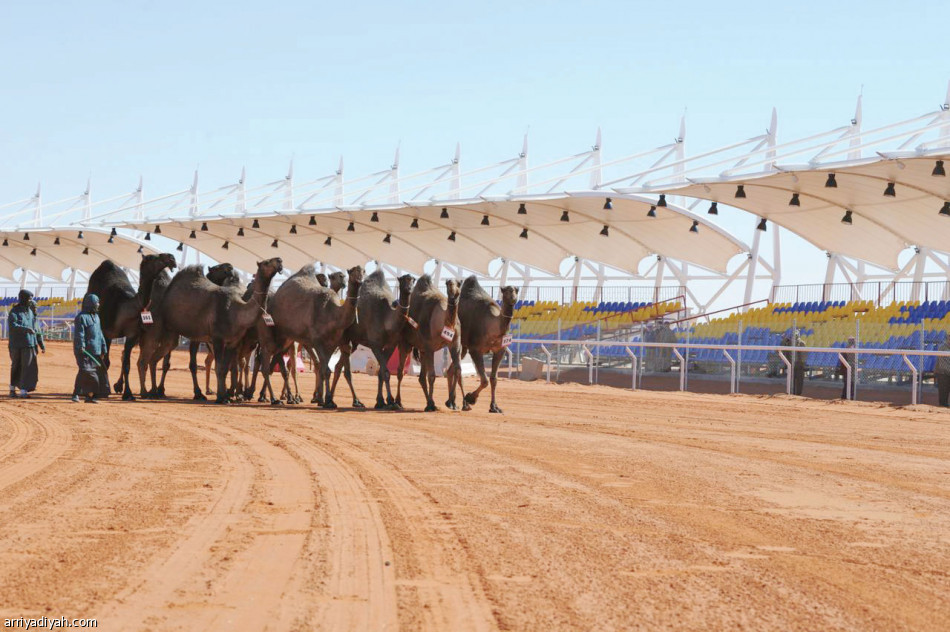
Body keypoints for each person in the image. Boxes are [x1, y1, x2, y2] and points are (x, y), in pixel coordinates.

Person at [7, 289, 44, 398]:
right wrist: (26, 329)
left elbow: (36, 329)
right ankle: (12, 389)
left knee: (27, 367)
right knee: (16, 367)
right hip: (16, 345)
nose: (30, 301)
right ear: (23, 298)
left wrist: (40, 344)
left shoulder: (31, 312)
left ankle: (23, 390)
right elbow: (13, 326)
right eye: (29, 298)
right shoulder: (14, 312)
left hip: (29, 344)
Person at [73, 293, 107, 403]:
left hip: (95, 350)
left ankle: (89, 396)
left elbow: (100, 334)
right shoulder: (81, 317)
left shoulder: (97, 317)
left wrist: (103, 347)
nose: (98, 304)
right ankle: (77, 394)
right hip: (83, 351)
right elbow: (79, 334)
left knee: (92, 373)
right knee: (85, 371)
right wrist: (81, 346)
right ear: (91, 303)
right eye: (97, 302)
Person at [790, 330, 807, 396]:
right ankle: (793, 392)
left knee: (799, 379)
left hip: (799, 364)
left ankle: (798, 393)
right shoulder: (790, 343)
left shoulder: (801, 343)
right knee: (792, 379)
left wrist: (803, 363)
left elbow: (803, 355)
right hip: (792, 363)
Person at [935, 333, 950, 407]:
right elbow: (945, 365)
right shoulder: (942, 348)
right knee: (943, 393)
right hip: (942, 373)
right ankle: (943, 406)